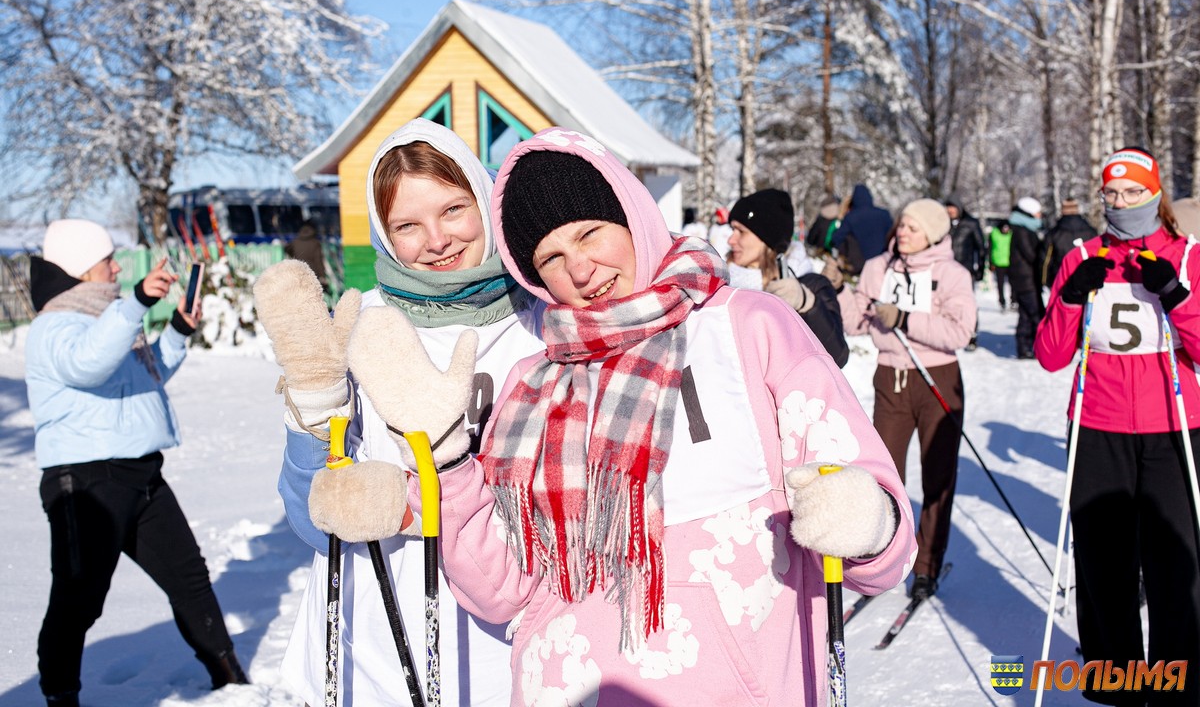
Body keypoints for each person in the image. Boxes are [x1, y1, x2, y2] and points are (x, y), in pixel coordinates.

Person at [345, 127, 916, 706]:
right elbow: (503, 591)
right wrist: (447, 460)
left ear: (631, 214)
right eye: (550, 258)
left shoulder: (748, 328)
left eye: (590, 233)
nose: (582, 270)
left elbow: (879, 550)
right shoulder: (533, 383)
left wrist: (868, 523)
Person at [258, 119, 543, 706]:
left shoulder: (541, 324)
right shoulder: (363, 325)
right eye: (407, 225)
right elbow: (312, 522)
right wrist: (315, 410)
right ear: (384, 236)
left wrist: (412, 502)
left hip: (501, 638)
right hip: (373, 636)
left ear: (487, 202)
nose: (436, 241)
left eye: (453, 210)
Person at [26, 219, 246, 706]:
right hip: (84, 482)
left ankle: (230, 678)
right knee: (78, 598)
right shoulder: (54, 325)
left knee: (188, 575)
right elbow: (87, 364)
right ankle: (60, 695)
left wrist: (178, 330)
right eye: (108, 260)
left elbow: (144, 378)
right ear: (83, 270)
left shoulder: (108, 318)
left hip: (141, 473)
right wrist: (137, 304)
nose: (117, 267)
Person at [1035, 147, 1200, 705]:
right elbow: (1052, 356)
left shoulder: (1187, 255)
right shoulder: (1081, 253)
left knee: (1174, 560)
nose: (1123, 202)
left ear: (1154, 194)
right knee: (1104, 563)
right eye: (1114, 193)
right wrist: (1070, 298)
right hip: (1098, 423)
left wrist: (1175, 297)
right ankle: (1118, 683)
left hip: (1173, 424)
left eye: (1134, 192)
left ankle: (1178, 681)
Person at [839, 199, 976, 599]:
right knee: (884, 477)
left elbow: (960, 332)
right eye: (902, 225)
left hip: (938, 379)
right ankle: (884, 560)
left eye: (913, 228)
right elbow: (855, 322)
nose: (903, 233)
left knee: (938, 476)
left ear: (933, 233)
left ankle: (928, 566)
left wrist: (905, 319)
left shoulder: (952, 274)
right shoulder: (878, 267)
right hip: (891, 378)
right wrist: (838, 291)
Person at [727, 188, 849, 367]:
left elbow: (838, 357)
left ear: (767, 238)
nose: (731, 239)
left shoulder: (812, 285)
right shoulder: (725, 284)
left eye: (741, 231)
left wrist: (807, 304)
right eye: (732, 229)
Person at [944, 196, 986, 350]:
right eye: (947, 207)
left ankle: (971, 335)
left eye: (953, 207)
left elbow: (981, 247)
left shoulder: (970, 224)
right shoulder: (943, 224)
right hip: (945, 270)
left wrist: (980, 269)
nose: (950, 210)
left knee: (967, 304)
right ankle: (949, 334)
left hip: (965, 270)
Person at [1008, 196, 1044, 359]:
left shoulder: (1022, 229)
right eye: (1037, 213)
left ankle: (1025, 347)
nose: (1040, 216)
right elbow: (1031, 254)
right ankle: (1035, 347)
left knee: (1026, 314)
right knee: (1034, 313)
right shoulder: (1023, 231)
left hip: (1024, 279)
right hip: (1026, 280)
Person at [830, 183, 892, 277]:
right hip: (885, 261)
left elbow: (836, 238)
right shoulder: (884, 214)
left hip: (861, 264)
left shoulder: (850, 217)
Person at [1038, 198, 1098, 290]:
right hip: (1087, 280)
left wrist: (1045, 281)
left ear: (1063, 210)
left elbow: (1045, 260)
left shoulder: (1053, 234)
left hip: (1061, 280)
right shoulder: (1091, 232)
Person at [284, 218, 330, 292]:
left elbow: (286, 249)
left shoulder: (295, 242)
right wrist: (322, 276)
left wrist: (294, 255)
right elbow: (318, 261)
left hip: (298, 273)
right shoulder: (315, 243)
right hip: (313, 274)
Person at [988, 220, 1014, 311]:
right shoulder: (994, 234)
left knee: (1013, 284)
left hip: (1010, 262)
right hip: (998, 263)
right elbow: (990, 249)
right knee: (1000, 284)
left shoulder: (1012, 234)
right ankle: (1002, 301)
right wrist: (991, 262)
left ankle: (1013, 301)